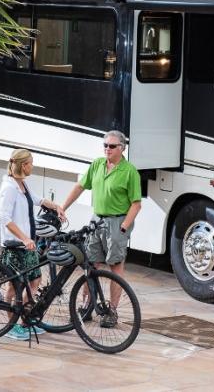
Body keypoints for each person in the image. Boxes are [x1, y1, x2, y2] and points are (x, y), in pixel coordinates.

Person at [60, 130, 141, 328]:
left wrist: (123, 227)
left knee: (115, 267)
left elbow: (136, 204)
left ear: (122, 148)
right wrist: (63, 207)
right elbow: (80, 186)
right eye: (105, 145)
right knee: (91, 265)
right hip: (97, 220)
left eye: (112, 146)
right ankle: (87, 307)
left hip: (117, 222)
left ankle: (111, 311)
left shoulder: (130, 171)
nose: (107, 149)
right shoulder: (97, 164)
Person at [0, 148, 65, 341]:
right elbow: (5, 219)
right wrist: (24, 238)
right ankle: (10, 326)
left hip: (27, 245)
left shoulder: (22, 185)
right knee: (14, 287)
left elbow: (38, 200)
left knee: (35, 281)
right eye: (31, 163)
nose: (33, 166)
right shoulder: (9, 188)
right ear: (23, 165)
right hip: (15, 245)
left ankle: (24, 322)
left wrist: (57, 206)